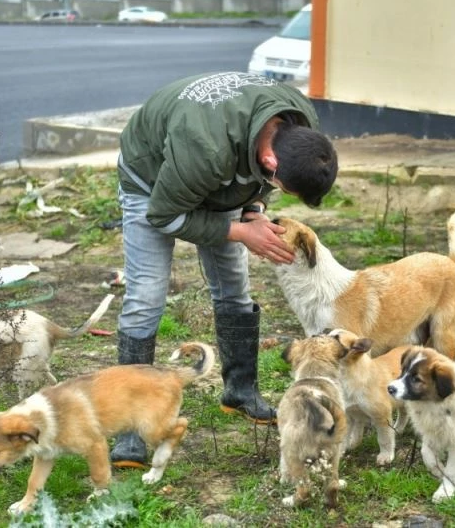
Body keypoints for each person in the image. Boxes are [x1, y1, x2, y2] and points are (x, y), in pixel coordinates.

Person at [111, 71, 338, 468]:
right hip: (153, 182)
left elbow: (263, 185)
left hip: (223, 170)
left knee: (234, 287)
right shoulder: (203, 146)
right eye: (281, 186)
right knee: (146, 296)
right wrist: (240, 231)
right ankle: (131, 426)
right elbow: (163, 215)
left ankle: (240, 391)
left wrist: (254, 211)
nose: (276, 190)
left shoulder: (302, 126)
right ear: (269, 160)